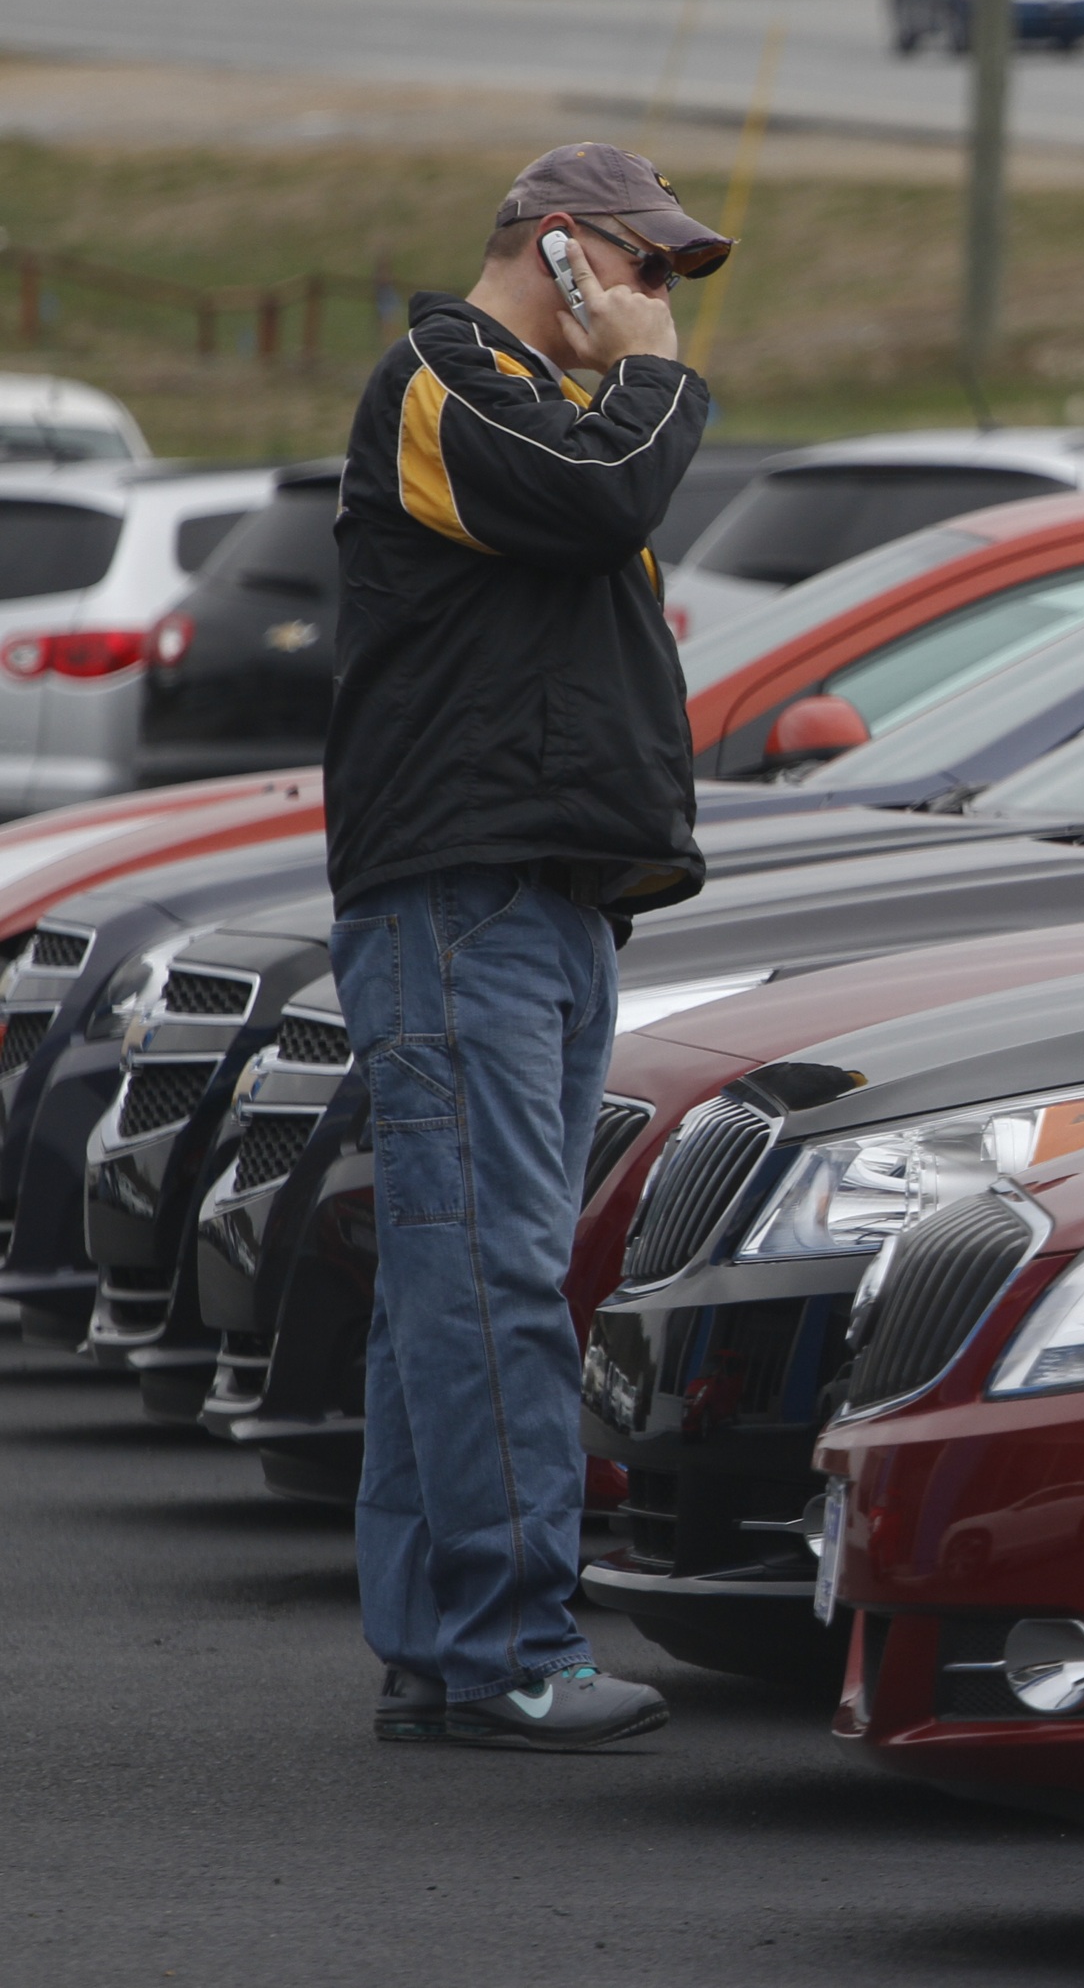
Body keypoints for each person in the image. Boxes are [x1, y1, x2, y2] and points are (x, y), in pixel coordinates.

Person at [323, 144, 732, 1750]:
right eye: (647, 270)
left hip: (547, 896)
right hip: (461, 892)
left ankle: (444, 1641)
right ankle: (508, 1643)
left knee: (461, 1269)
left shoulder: (542, 410)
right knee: (486, 1272)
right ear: (562, 252)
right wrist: (653, 384)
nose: (660, 306)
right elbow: (597, 501)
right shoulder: (444, 374)